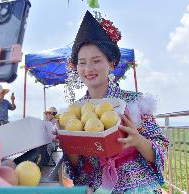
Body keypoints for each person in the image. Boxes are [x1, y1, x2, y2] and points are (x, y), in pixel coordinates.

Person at [62, 11, 169, 193]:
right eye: (82, 63)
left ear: (111, 63)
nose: (88, 69)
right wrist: (68, 143)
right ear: (76, 67)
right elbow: (77, 167)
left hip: (138, 186)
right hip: (98, 188)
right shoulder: (76, 112)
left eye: (96, 61)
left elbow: (161, 149)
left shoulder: (135, 102)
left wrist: (138, 141)